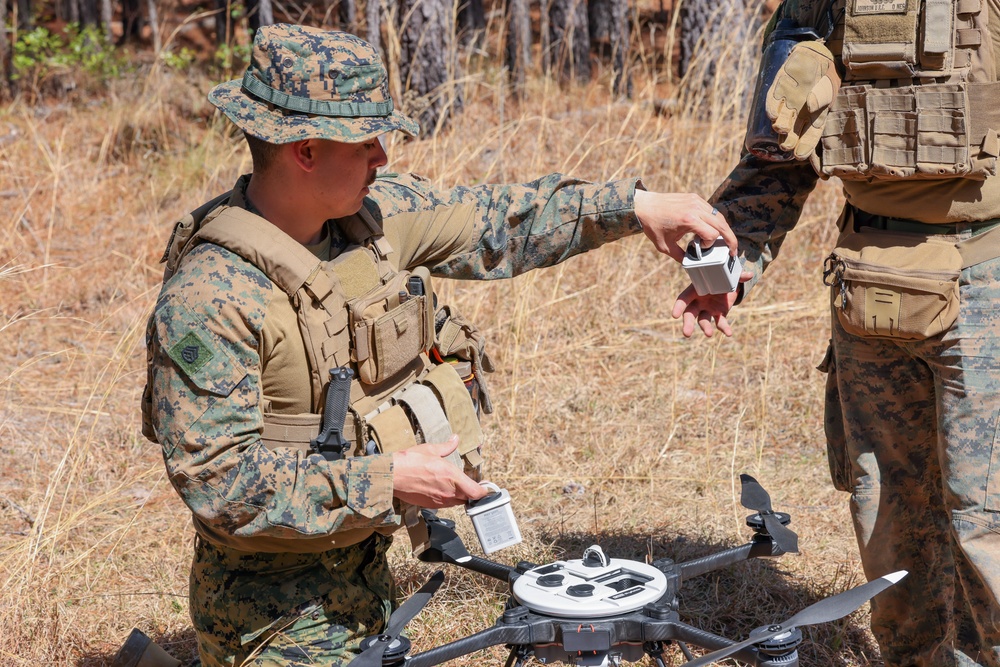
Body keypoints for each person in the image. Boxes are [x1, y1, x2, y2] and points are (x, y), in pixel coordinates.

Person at [141, 23, 736, 667]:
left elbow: (500, 219)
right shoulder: (210, 299)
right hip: (269, 612)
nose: (382, 157)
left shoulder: (369, 218)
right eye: (366, 138)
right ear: (305, 150)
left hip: (364, 573)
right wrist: (387, 477)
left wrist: (638, 206)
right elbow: (220, 483)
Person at [671, 0, 1000, 664]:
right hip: (868, 290)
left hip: (986, 281)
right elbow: (780, 151)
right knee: (889, 525)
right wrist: (733, 261)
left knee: (985, 524)